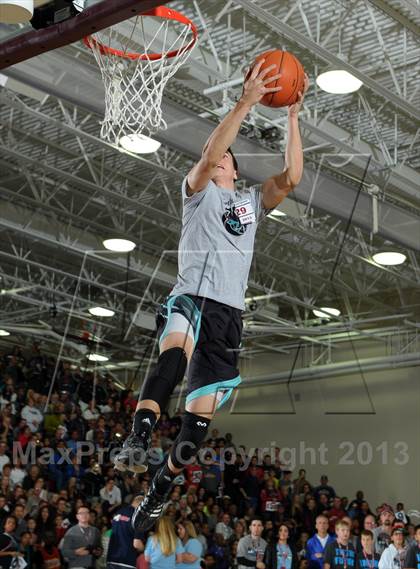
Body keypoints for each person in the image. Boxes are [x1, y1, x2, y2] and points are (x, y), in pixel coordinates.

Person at [113, 57, 308, 531]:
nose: (218, 156)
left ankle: (160, 486)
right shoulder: (197, 191)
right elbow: (207, 152)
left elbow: (292, 177)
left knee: (196, 428)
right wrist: (246, 102)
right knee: (173, 357)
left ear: (235, 171)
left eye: (226, 156)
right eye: (216, 153)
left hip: (229, 313)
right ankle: (138, 438)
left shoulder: (249, 203)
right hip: (191, 295)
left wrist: (292, 117)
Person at [106, 496, 145, 569]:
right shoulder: (138, 517)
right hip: (127, 560)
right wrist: (146, 549)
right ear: (143, 504)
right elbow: (137, 544)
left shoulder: (119, 512)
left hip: (111, 558)